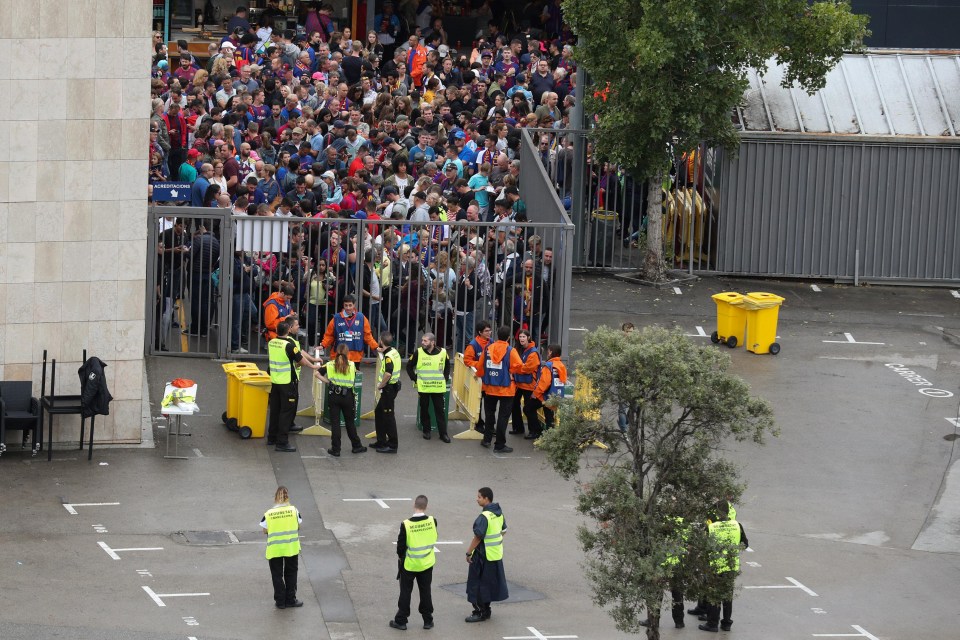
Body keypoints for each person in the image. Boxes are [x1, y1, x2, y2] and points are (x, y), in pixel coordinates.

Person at [267, 317, 321, 452]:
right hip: (287, 382)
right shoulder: (289, 345)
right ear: (288, 330)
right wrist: (314, 366)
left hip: (275, 381)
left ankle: (271, 437)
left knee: (275, 410)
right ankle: (282, 442)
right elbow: (301, 360)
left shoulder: (272, 342)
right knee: (286, 412)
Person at [390, 494, 438, 631]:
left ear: (414, 505)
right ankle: (428, 620)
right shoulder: (432, 521)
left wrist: (401, 557)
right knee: (425, 592)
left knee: (405, 592)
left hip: (409, 564)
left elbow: (400, 546)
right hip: (427, 563)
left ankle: (401, 620)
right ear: (426, 507)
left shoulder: (406, 524)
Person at [699, 501, 748, 633]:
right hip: (731, 566)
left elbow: (703, 546)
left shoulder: (712, 527)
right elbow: (745, 544)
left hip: (715, 566)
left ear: (717, 512)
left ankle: (712, 623)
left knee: (714, 596)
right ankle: (726, 623)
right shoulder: (737, 525)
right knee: (727, 596)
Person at [475, 325, 524, 453]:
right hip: (507, 389)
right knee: (503, 417)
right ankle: (500, 444)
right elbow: (519, 366)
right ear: (508, 338)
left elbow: (480, 367)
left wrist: (480, 376)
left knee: (489, 414)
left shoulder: (488, 348)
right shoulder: (511, 350)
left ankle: (486, 440)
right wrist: (511, 371)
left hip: (490, 387)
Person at [465, 487, 508, 623]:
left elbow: (478, 537)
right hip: (495, 554)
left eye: (479, 497)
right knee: (488, 584)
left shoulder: (484, 517)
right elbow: (504, 530)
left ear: (486, 498)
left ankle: (479, 612)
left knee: (476, 584)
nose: (477, 499)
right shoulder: (499, 514)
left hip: (482, 555)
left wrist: (469, 552)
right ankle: (486, 610)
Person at [316, 343, 367, 457]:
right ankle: (356, 445)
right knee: (350, 422)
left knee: (335, 423)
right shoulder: (352, 365)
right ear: (347, 353)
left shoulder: (329, 365)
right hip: (347, 396)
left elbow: (317, 374)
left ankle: (336, 449)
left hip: (334, 395)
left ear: (336, 352)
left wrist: (328, 382)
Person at [261, 485, 303, 609]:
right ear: (287, 497)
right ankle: (290, 599)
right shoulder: (294, 510)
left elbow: (264, 530)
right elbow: (299, 525)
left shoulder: (269, 513)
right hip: (291, 547)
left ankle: (280, 601)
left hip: (275, 549)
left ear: (275, 497)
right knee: (291, 573)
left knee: (277, 575)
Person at [406, 332, 452, 443]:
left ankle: (443, 434)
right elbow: (409, 366)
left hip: (437, 388)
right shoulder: (419, 352)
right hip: (424, 387)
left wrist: (445, 378)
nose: (422, 342)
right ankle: (426, 431)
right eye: (422, 340)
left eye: (425, 341)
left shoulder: (443, 352)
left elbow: (447, 366)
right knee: (424, 409)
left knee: (440, 411)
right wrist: (415, 379)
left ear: (432, 342)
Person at [320, 294, 380, 362]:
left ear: (354, 305)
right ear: (343, 305)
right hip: (339, 356)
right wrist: (322, 345)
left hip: (356, 357)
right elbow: (329, 336)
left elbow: (368, 336)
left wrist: (376, 347)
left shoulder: (361, 318)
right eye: (346, 305)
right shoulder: (336, 318)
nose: (348, 308)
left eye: (350, 305)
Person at [525, 343, 567, 438]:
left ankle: (537, 431)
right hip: (555, 395)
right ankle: (549, 436)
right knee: (549, 416)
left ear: (551, 352)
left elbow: (544, 383)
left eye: (548, 352)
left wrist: (535, 394)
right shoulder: (561, 365)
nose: (547, 354)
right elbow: (563, 380)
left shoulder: (549, 365)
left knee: (528, 409)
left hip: (545, 395)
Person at [373, 332, 402, 453]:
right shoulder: (393, 351)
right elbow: (385, 350)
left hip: (388, 389)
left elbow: (388, 373)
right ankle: (381, 441)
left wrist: (381, 385)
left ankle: (392, 445)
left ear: (381, 341)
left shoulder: (388, 357)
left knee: (388, 417)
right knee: (379, 412)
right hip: (393, 387)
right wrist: (381, 350)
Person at [509, 329, 541, 437]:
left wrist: (516, 368)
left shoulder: (533, 352)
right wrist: (517, 367)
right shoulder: (517, 349)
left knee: (529, 409)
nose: (521, 339)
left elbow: (528, 368)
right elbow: (512, 363)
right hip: (518, 383)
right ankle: (518, 427)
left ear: (528, 337)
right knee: (514, 404)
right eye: (520, 337)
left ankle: (534, 431)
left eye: (524, 337)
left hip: (529, 384)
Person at [462, 321, 492, 434]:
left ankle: (489, 425)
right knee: (477, 404)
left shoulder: (492, 342)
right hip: (478, 380)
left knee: (489, 406)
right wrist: (480, 365)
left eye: (490, 330)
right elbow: (467, 361)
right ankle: (478, 424)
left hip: (489, 380)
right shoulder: (473, 345)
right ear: (480, 332)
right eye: (486, 331)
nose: (489, 333)